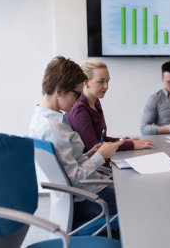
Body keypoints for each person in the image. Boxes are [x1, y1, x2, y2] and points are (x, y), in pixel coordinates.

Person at [29, 56, 124, 224]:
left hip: (83, 194)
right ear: (59, 92)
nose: (79, 98)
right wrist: (99, 156)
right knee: (139, 198)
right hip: (88, 199)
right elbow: (74, 179)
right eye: (77, 94)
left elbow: (65, 167)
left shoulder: (41, 119)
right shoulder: (54, 129)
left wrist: (89, 154)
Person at [66, 59, 155, 153]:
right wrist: (132, 145)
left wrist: (123, 141)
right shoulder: (79, 109)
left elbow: (101, 139)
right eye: (101, 82)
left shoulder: (96, 102)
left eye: (107, 81)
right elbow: (94, 147)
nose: (106, 86)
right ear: (86, 82)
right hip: (90, 164)